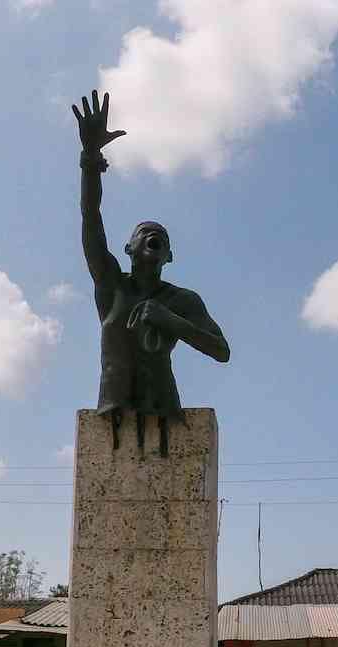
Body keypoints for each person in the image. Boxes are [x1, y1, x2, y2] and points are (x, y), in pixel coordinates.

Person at [72, 90, 230, 455]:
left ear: (168, 256)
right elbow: (90, 218)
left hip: (163, 414)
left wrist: (170, 320)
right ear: (129, 248)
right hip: (112, 416)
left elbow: (221, 350)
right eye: (143, 231)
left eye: (160, 235)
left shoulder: (181, 300)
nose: (152, 233)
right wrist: (90, 158)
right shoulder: (111, 285)